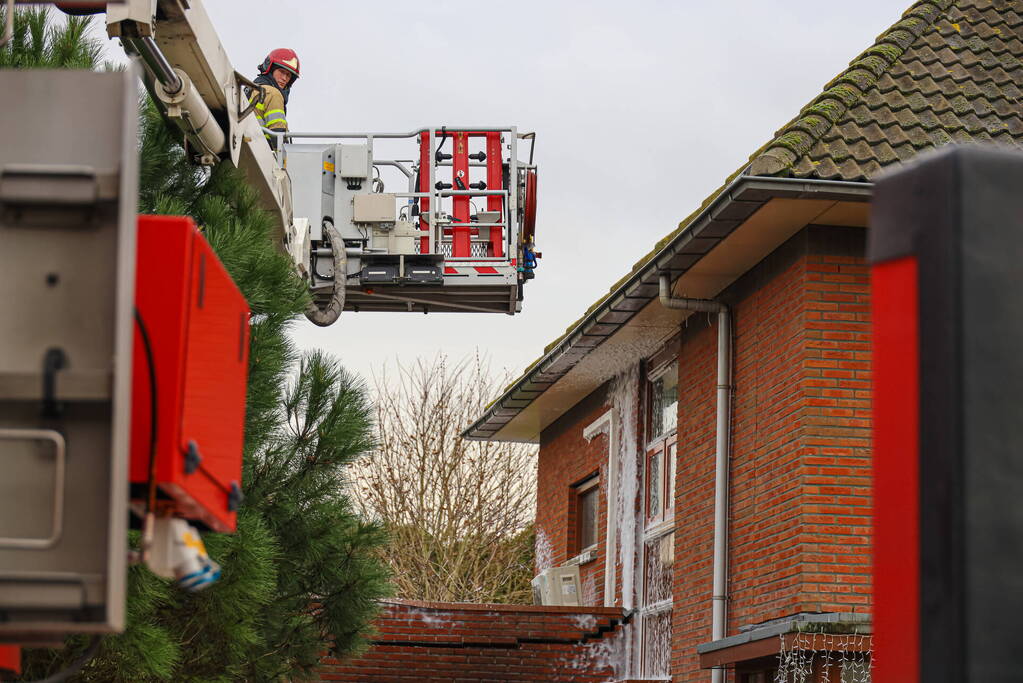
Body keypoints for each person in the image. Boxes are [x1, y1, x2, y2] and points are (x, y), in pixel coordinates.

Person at [249, 48, 300, 147]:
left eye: (288, 75)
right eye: (281, 72)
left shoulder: (253, 89)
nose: (284, 78)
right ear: (270, 69)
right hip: (264, 152)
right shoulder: (273, 93)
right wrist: (285, 160)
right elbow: (278, 134)